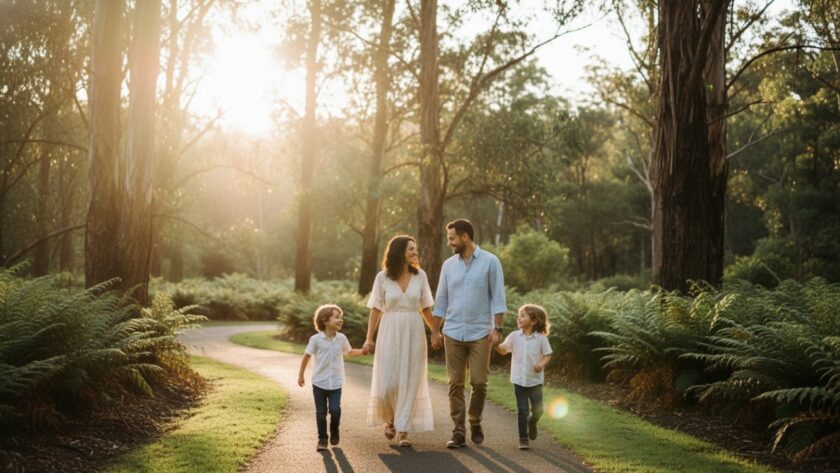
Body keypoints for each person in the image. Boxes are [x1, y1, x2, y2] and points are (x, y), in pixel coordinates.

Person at [430, 219, 507, 448]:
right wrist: (435, 331)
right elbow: (441, 299)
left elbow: (498, 298)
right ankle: (458, 432)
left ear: (465, 237)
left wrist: (498, 328)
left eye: (452, 238)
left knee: (479, 382)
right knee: (455, 383)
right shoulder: (448, 265)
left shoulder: (491, 262)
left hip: (480, 333)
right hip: (452, 332)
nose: (449, 242)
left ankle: (474, 420)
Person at [363, 235, 436, 447]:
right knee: (389, 383)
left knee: (411, 381)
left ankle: (403, 430)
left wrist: (436, 331)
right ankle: (391, 418)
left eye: (415, 248)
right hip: (389, 330)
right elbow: (376, 309)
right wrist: (369, 338)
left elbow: (426, 308)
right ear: (399, 251)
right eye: (411, 249)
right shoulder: (382, 278)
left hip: (414, 331)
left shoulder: (420, 276)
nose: (415, 252)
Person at [297, 304, 365, 451]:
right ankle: (322, 439)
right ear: (325, 320)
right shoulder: (315, 339)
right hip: (319, 383)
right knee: (320, 413)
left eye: (341, 317)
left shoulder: (342, 338)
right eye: (337, 317)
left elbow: (349, 352)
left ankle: (334, 429)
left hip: (336, 383)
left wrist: (363, 351)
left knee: (335, 410)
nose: (340, 320)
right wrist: (301, 375)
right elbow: (306, 356)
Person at [495, 304, 553, 450]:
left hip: (535, 381)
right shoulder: (514, 336)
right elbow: (503, 350)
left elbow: (548, 355)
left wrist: (541, 364)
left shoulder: (541, 338)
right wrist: (496, 345)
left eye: (522, 316)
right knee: (522, 410)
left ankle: (532, 422)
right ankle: (523, 438)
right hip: (519, 380)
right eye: (518, 315)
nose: (518, 318)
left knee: (538, 410)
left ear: (533, 321)